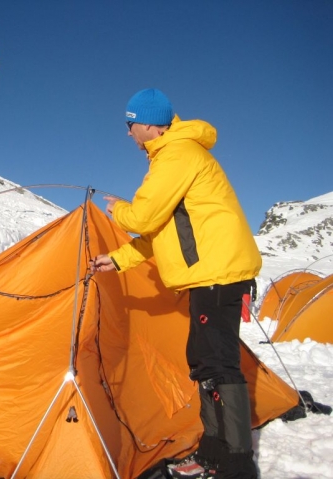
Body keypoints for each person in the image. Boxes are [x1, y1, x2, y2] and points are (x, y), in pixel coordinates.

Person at [91, 89, 261, 479]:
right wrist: (116, 259)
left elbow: (145, 217)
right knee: (205, 363)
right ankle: (214, 454)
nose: (128, 133)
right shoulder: (172, 156)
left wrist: (119, 210)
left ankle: (236, 466)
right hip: (211, 276)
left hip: (218, 274)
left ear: (149, 124)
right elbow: (158, 235)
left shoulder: (177, 155)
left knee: (218, 365)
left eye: (130, 125)